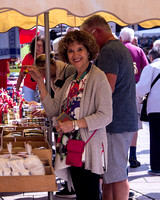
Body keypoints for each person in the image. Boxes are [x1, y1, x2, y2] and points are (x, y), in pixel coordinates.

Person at [28, 30, 113, 200]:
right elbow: (53, 110)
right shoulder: (71, 79)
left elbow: (106, 116)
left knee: (89, 194)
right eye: (70, 50)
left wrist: (74, 124)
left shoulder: (98, 77)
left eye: (80, 49)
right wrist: (40, 83)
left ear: (89, 51)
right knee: (81, 193)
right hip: (71, 148)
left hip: (88, 149)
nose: (75, 54)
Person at [81, 15, 138, 200]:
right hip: (120, 121)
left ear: (96, 32)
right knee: (110, 176)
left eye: (86, 38)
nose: (86, 44)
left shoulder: (109, 51)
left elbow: (107, 89)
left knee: (117, 176)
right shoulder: (117, 48)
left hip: (116, 123)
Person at [119, 27, 149, 168]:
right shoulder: (138, 51)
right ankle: (133, 155)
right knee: (134, 124)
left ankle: (121, 155)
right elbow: (147, 70)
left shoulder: (116, 50)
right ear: (133, 39)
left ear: (120, 38)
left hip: (118, 90)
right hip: (135, 89)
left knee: (119, 123)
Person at [136, 47, 160, 176]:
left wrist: (139, 100)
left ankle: (157, 167)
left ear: (151, 57)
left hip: (156, 107)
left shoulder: (151, 68)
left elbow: (141, 89)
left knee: (156, 137)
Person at [16, 35, 45, 102]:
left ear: (44, 47)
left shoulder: (47, 58)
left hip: (42, 88)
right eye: (36, 45)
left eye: (40, 46)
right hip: (28, 88)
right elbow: (21, 74)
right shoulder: (28, 57)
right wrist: (17, 89)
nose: (37, 48)